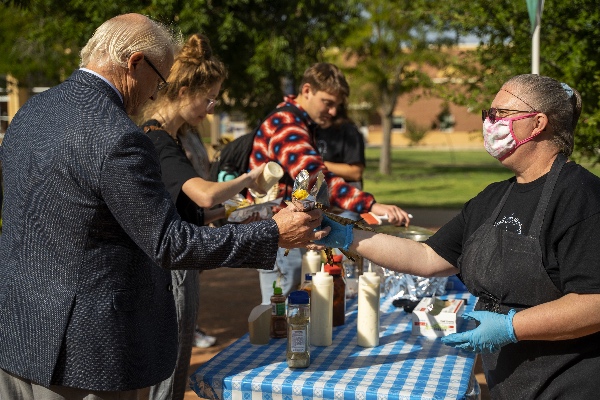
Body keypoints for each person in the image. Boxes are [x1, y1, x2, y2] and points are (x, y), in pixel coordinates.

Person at [0, 14, 327, 399]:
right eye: (159, 79)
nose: (157, 93)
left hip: (17, 330)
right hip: (86, 354)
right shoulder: (118, 136)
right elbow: (171, 244)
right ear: (135, 62)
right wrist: (273, 232)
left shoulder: (31, 112)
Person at [315, 74, 600, 399]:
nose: (488, 124)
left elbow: (594, 303)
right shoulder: (492, 199)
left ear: (537, 124)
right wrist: (345, 235)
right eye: (486, 115)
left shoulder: (580, 197)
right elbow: (427, 258)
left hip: (569, 385)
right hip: (510, 385)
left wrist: (512, 327)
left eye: (499, 115)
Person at [138, 33, 267, 400]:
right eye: (208, 98)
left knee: (177, 364)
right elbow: (205, 193)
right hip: (169, 272)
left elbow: (195, 210)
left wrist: (247, 210)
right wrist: (250, 178)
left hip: (180, 267)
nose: (211, 108)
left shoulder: (174, 139)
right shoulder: (157, 139)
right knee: (168, 369)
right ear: (182, 91)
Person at [249, 62, 411, 304]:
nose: (334, 112)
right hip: (276, 231)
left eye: (337, 105)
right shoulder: (286, 125)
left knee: (293, 309)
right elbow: (316, 180)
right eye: (327, 102)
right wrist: (371, 205)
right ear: (307, 91)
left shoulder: (298, 122)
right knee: (280, 313)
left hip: (284, 229)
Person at [315, 102, 366, 220]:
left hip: (343, 207)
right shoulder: (308, 130)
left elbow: (356, 172)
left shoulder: (348, 132)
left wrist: (318, 164)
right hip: (315, 205)